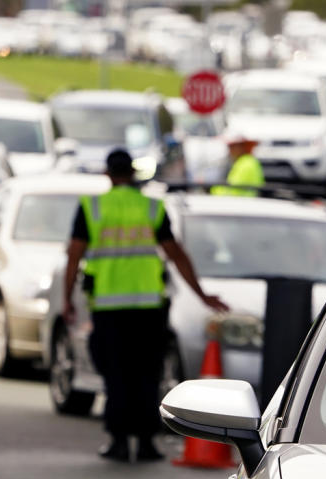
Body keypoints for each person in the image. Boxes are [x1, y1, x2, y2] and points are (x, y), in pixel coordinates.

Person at [64, 148, 229, 462]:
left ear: (109, 175)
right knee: (147, 375)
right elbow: (176, 254)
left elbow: (74, 255)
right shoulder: (151, 207)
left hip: (109, 310)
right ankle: (148, 444)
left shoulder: (93, 207)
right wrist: (202, 294)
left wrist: (67, 300)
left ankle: (119, 442)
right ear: (133, 174)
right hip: (149, 308)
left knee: (116, 375)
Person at [211, 132, 264, 197]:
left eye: (232, 147)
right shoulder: (248, 161)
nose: (230, 150)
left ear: (241, 147)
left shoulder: (246, 163)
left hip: (242, 203)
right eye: (230, 147)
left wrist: (213, 190)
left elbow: (234, 190)